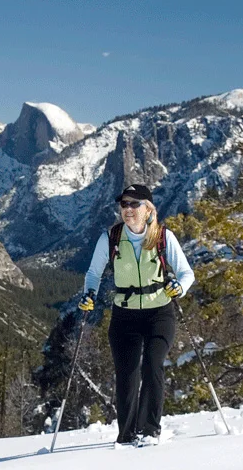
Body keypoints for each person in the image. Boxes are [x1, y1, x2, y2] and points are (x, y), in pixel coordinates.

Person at [78, 184, 195, 445]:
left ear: (148, 209)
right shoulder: (110, 238)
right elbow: (94, 274)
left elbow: (187, 273)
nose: (128, 209)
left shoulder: (164, 237)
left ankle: (150, 431)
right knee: (127, 375)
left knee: (153, 366)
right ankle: (127, 435)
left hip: (159, 313)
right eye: (124, 204)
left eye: (134, 204)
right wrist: (89, 294)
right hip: (125, 316)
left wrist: (180, 287)